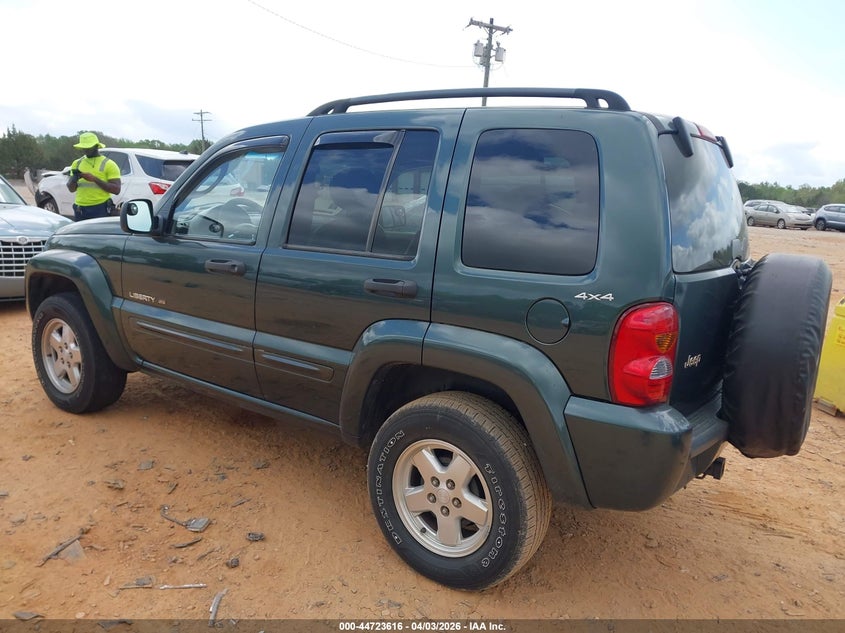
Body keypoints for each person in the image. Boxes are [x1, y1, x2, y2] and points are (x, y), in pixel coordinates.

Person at [67, 132, 121, 221]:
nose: (85, 149)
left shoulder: (109, 164)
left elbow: (116, 190)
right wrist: (74, 178)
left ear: (96, 146)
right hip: (80, 209)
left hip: (100, 208)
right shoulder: (77, 163)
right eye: (83, 147)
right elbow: (71, 189)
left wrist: (94, 179)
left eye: (88, 147)